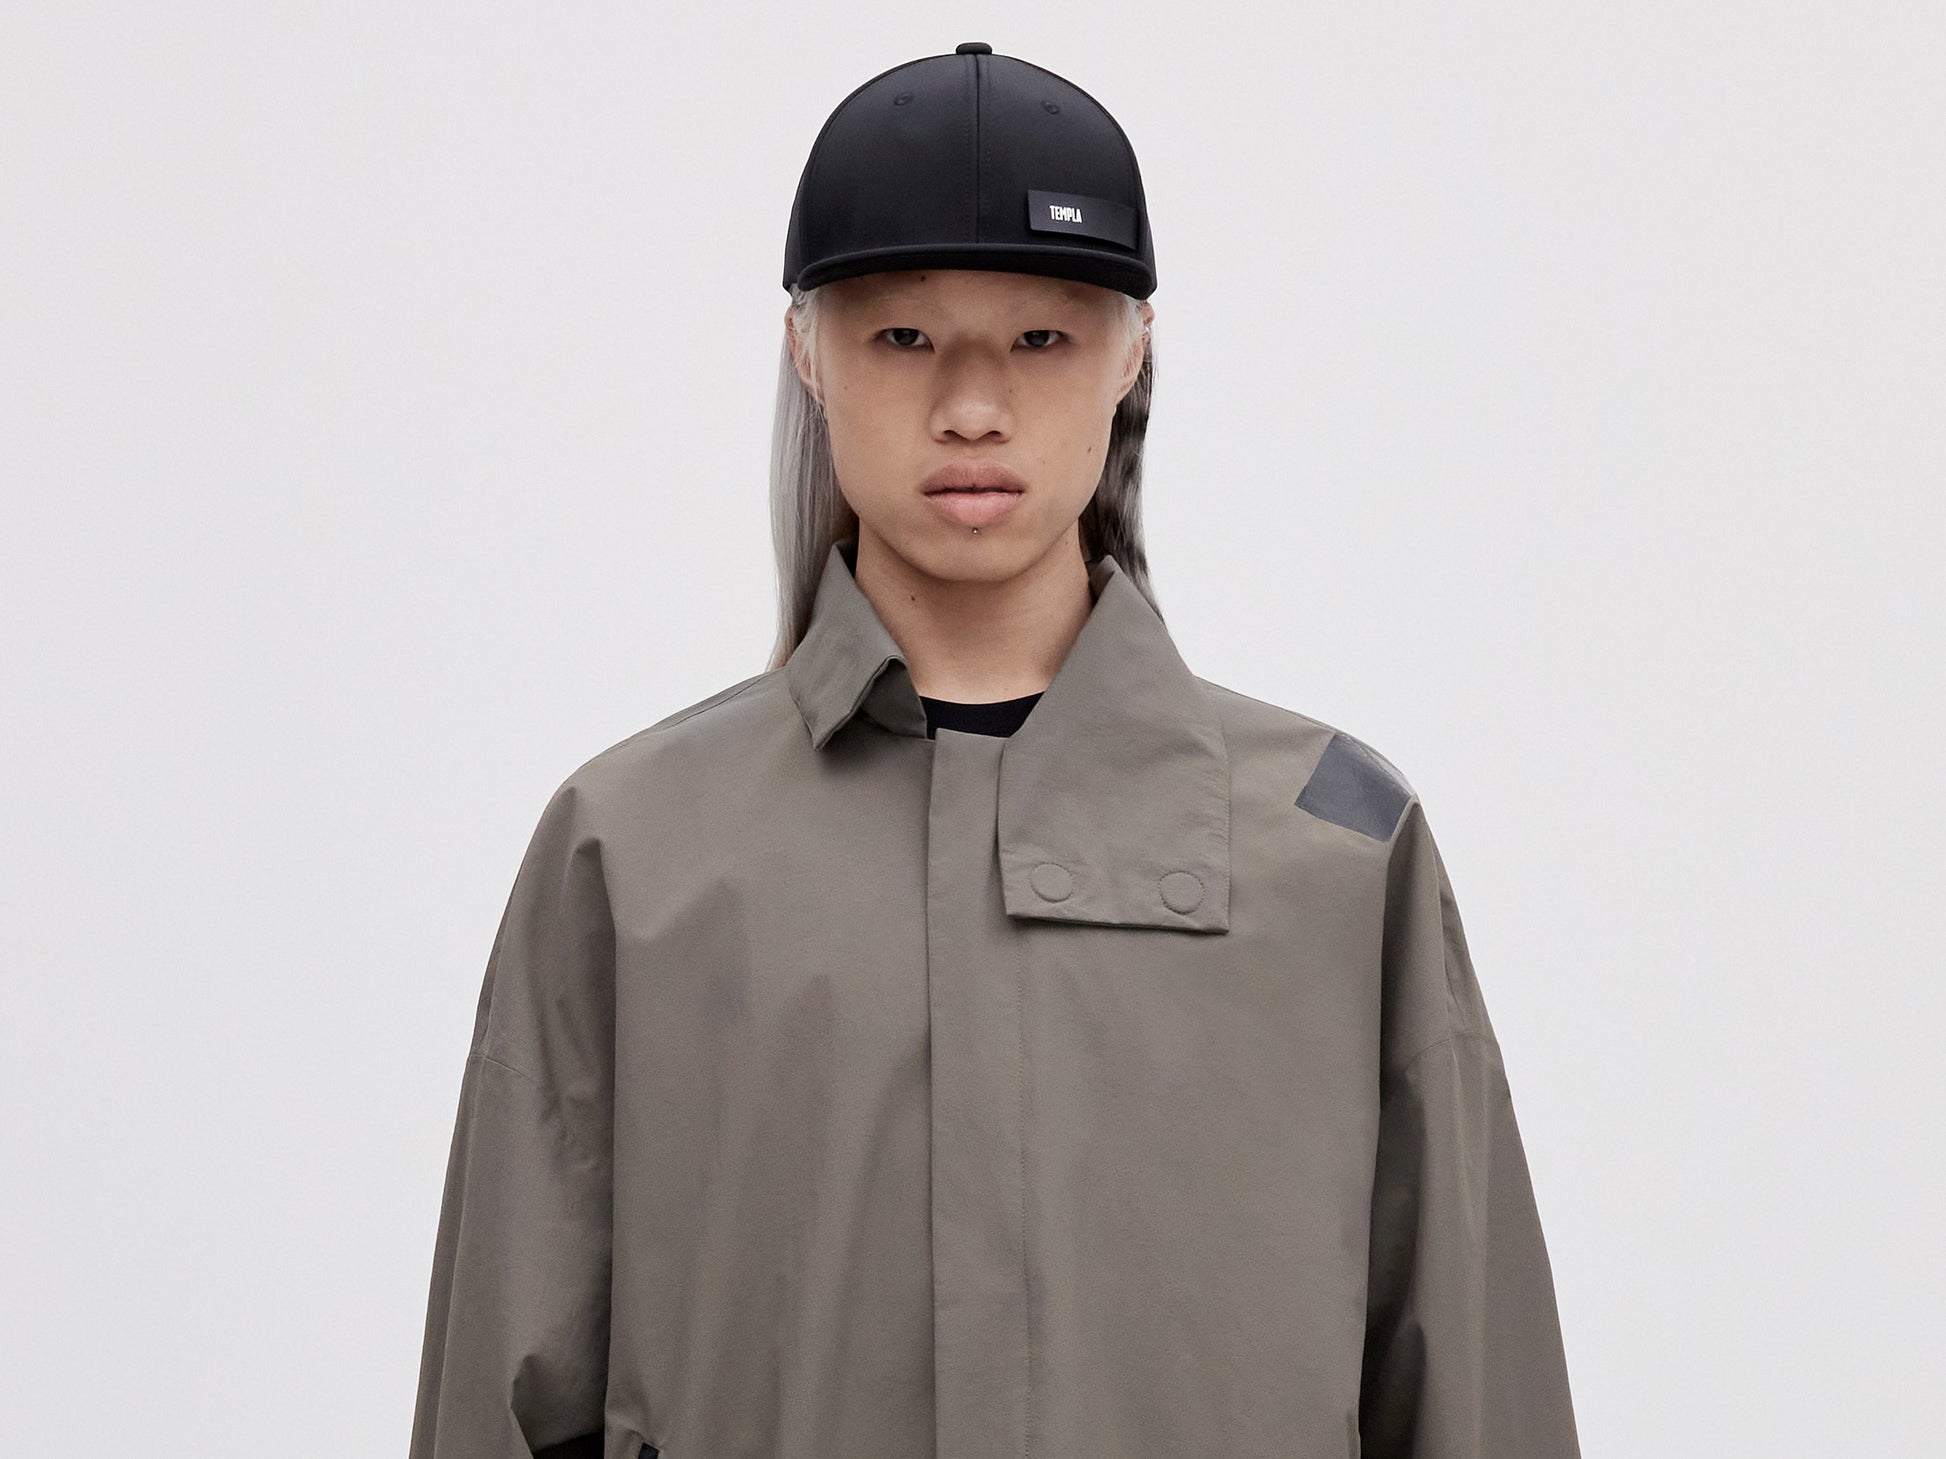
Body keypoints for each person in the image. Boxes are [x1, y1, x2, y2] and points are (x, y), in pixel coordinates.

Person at [408, 42, 1583, 1459]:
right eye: (903, 337)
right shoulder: (638, 848)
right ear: (806, 351)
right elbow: (498, 1399)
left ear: (1134, 351)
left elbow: (1472, 1399)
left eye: (1041, 339)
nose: (972, 404)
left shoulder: (1332, 852)